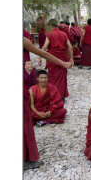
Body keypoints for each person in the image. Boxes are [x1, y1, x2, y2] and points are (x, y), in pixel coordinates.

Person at [23, 37, 72, 171]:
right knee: (25, 121)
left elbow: (58, 103)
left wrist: (49, 111)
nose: (43, 80)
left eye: (45, 77)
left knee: (61, 112)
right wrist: (63, 63)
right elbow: (44, 53)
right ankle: (25, 158)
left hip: (45, 111)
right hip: (34, 109)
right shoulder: (22, 40)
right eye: (41, 78)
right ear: (37, 78)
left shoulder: (51, 87)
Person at [39, 19, 73, 100]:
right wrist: (71, 59)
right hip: (63, 58)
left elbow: (44, 46)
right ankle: (61, 96)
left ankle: (54, 96)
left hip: (52, 59)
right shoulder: (64, 34)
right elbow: (70, 47)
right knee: (62, 78)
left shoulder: (49, 34)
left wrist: (40, 57)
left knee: (53, 78)